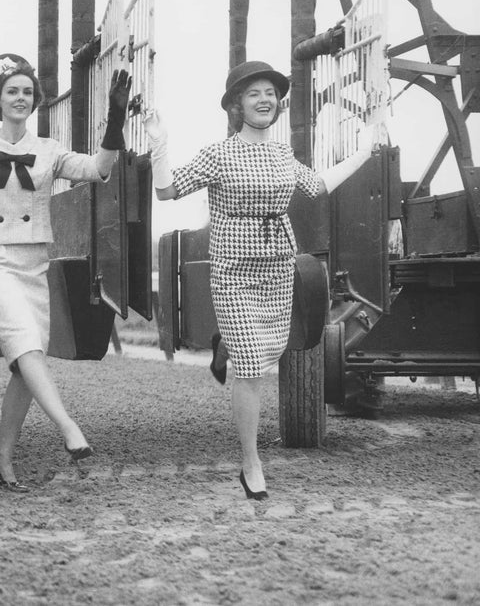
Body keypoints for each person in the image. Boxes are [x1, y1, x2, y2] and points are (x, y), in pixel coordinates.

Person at [145, 59, 386, 501]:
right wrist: (159, 145)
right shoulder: (218, 154)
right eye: (254, 93)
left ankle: (226, 345)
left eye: (270, 94)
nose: (264, 100)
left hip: (277, 266)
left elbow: (317, 186)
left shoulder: (281, 155)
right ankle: (251, 462)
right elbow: (166, 191)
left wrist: (364, 152)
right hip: (234, 271)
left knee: (270, 350)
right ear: (237, 104)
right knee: (253, 365)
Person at [0, 54, 132, 492]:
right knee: (25, 343)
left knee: (26, 361)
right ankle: (68, 426)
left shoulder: (49, 150)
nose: (20, 98)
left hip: (35, 262)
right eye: (11, 91)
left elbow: (98, 170)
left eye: (26, 91)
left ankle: (1, 455)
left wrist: (115, 121)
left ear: (34, 99)